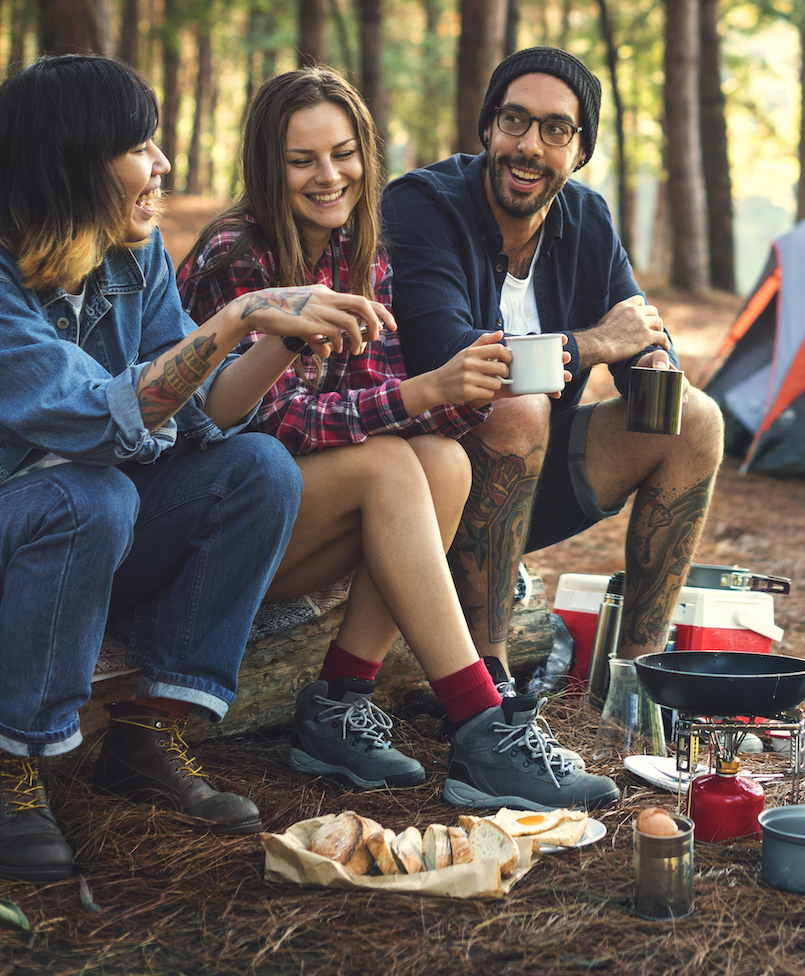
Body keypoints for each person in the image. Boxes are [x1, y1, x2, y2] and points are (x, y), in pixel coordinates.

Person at [0, 55, 398, 883]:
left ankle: (149, 732)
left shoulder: (129, 253)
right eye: (140, 148)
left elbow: (203, 410)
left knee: (259, 469)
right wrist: (237, 314)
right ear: (74, 162)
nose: (162, 166)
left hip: (90, 531)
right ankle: (14, 767)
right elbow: (95, 415)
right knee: (92, 492)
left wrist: (280, 333)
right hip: (26, 528)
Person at [178, 68, 617, 811]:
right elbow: (271, 424)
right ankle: (481, 725)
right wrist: (422, 393)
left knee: (444, 462)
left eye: (344, 154)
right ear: (265, 165)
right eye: (302, 160)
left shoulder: (360, 244)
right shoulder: (238, 254)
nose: (329, 177)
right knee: (388, 467)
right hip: (217, 526)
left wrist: (456, 392)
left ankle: (338, 704)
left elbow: (373, 395)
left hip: (306, 516)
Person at [381, 48, 725, 702]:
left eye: (556, 129)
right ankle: (490, 680)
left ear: (580, 149)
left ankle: (638, 683)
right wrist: (596, 342)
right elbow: (449, 357)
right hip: (422, 489)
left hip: (530, 488)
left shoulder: (586, 218)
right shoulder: (424, 206)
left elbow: (639, 331)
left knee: (695, 420)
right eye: (514, 120)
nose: (529, 145)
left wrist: (654, 362)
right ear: (488, 128)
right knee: (517, 403)